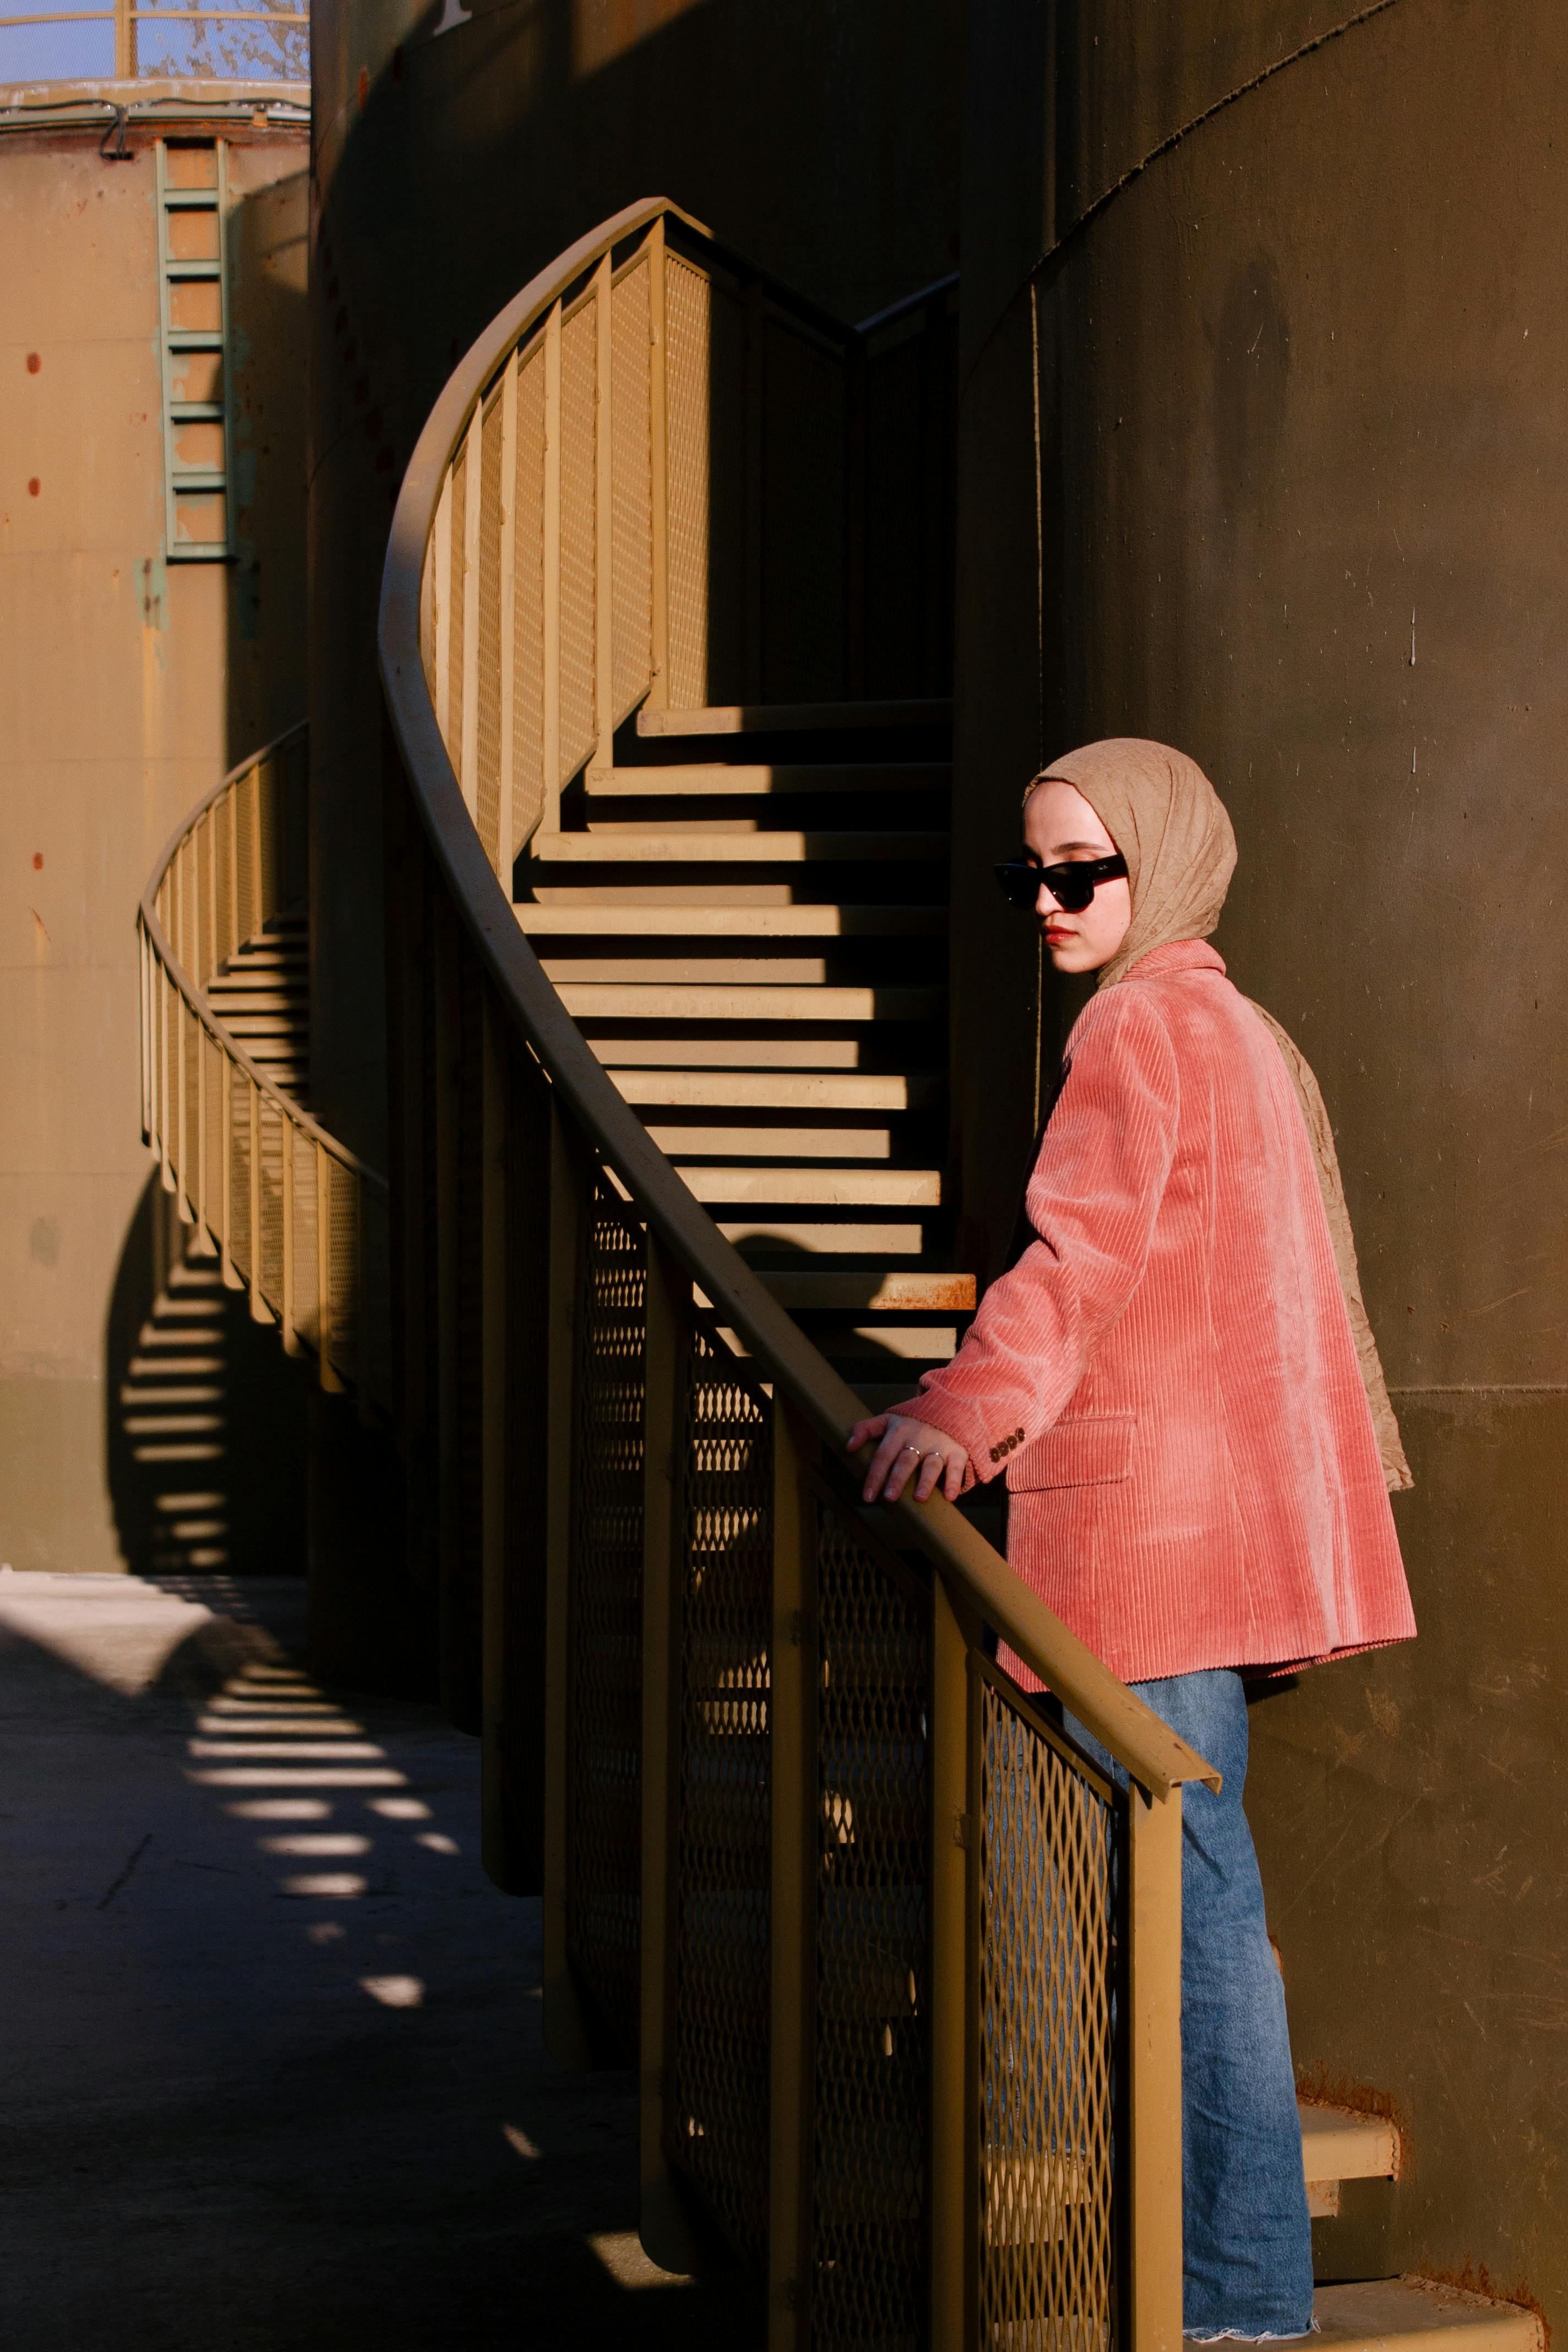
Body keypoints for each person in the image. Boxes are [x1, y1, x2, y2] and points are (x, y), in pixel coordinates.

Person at [848, 739, 1417, 2342]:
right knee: (1202, 1915)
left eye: (1080, 869)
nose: (1048, 898)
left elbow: (1074, 1263)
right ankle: (1238, 2291)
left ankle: (1237, 2300)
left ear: (1156, 862)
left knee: (1191, 1929)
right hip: (1221, 1542)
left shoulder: (1135, 1025)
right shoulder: (1241, 1030)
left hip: (1150, 1550)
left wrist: (965, 1410)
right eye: (1027, 873)